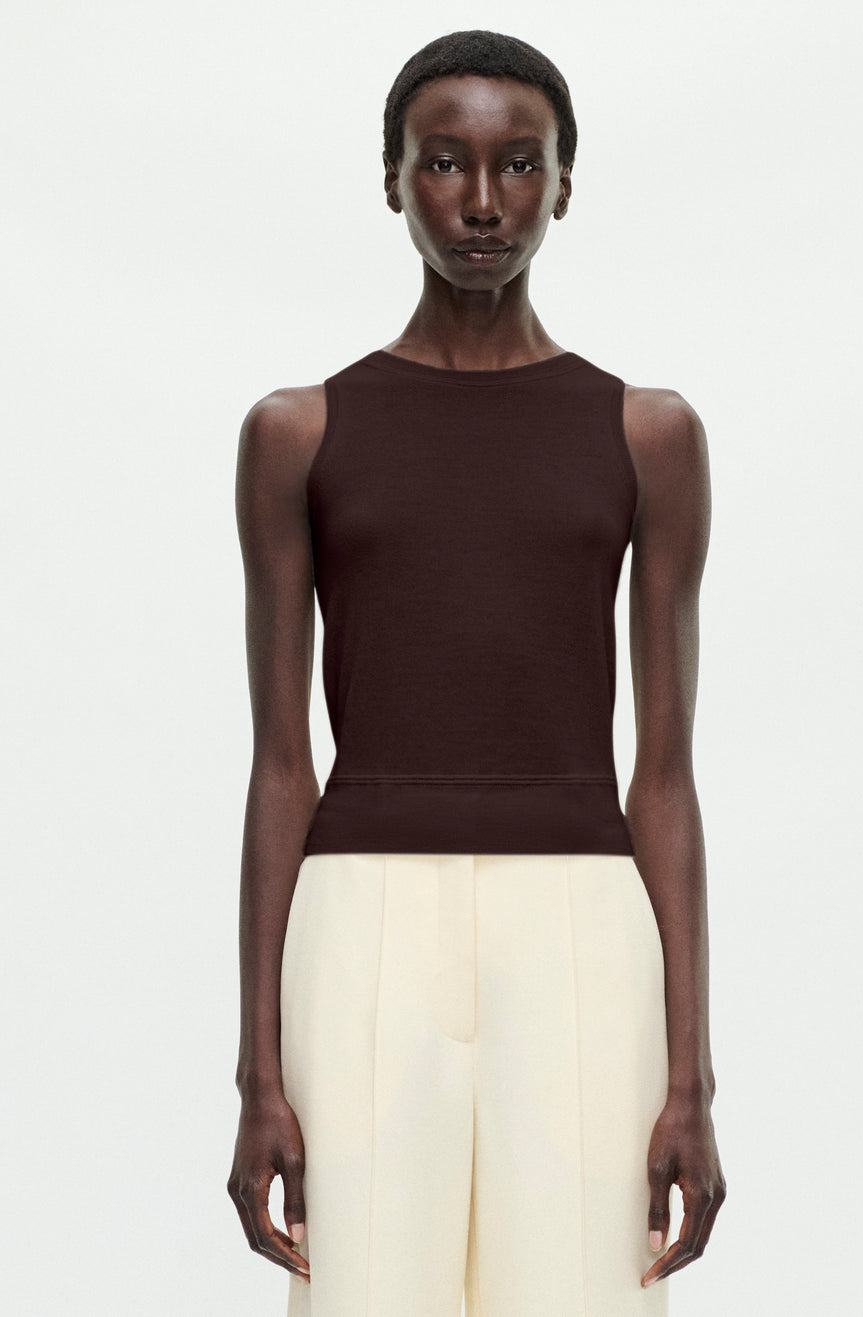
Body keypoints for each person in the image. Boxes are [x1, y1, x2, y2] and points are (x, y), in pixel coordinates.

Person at [227, 28, 725, 1317]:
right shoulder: (298, 435)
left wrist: (691, 1079)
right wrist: (258, 1074)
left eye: (520, 164)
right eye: (445, 163)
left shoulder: (648, 436)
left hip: (582, 930)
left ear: (565, 183)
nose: (485, 201)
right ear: (393, 180)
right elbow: (281, 765)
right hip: (361, 926)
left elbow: (664, 775)